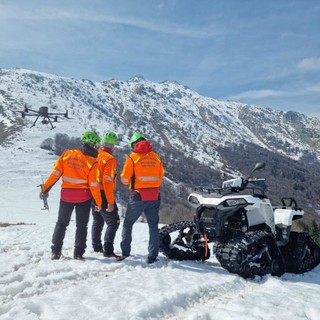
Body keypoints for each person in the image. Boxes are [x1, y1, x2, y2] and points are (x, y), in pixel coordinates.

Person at [40, 131, 102, 260]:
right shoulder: (93, 162)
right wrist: (98, 202)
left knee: (61, 224)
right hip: (84, 197)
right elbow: (94, 185)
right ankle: (78, 254)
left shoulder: (67, 154)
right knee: (81, 226)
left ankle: (56, 251)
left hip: (66, 196)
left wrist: (45, 189)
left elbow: (55, 174)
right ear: (94, 145)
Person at [118, 132, 164, 264]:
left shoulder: (132, 158)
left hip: (137, 195)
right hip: (155, 195)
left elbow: (125, 180)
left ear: (133, 145)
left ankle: (126, 252)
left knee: (128, 223)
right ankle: (152, 256)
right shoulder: (156, 157)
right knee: (153, 226)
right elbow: (161, 176)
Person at [91, 131, 120, 258]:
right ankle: (108, 250)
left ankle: (97, 247)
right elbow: (108, 182)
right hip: (103, 193)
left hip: (93, 192)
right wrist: (110, 202)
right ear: (113, 146)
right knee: (114, 222)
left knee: (98, 220)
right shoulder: (109, 159)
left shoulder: (94, 155)